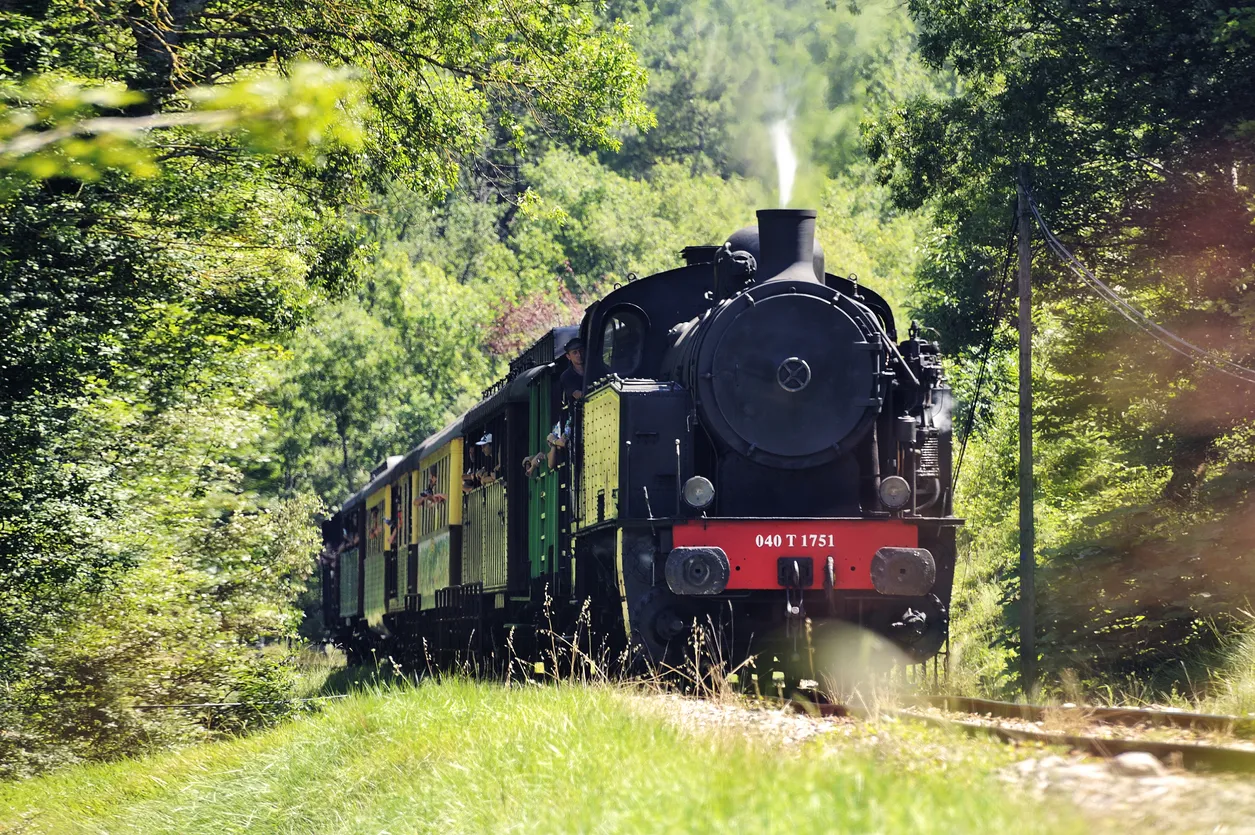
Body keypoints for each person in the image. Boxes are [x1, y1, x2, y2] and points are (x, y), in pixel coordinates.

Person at [560, 336, 585, 408]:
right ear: (568, 356)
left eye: (581, 351)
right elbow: (578, 395)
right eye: (575, 352)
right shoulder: (566, 376)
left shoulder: (596, 367)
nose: (579, 355)